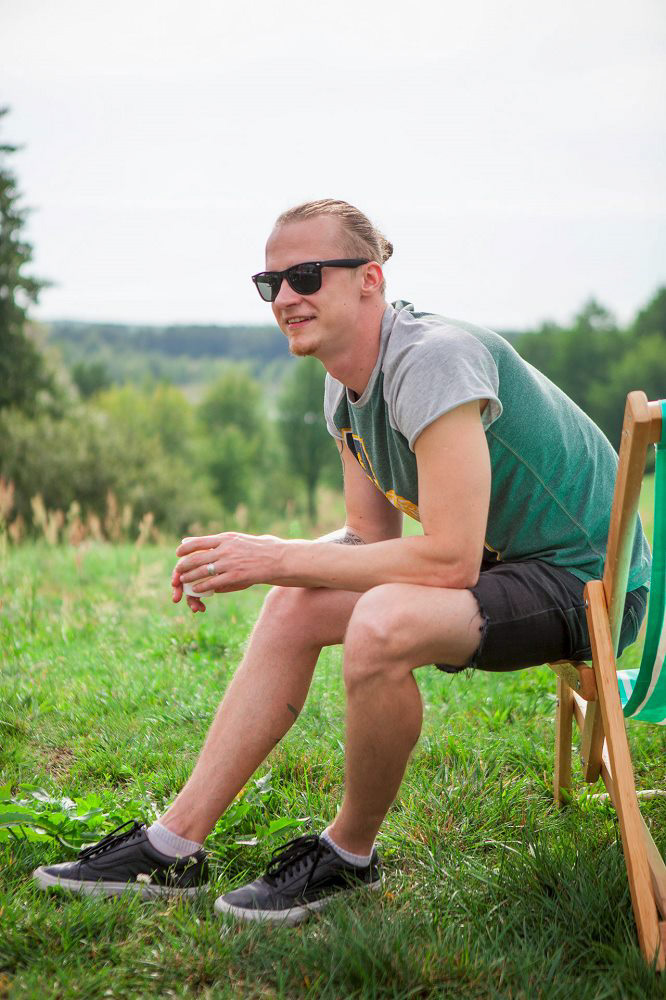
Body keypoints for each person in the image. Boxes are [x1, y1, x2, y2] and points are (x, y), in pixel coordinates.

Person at [33, 199, 651, 924]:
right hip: (505, 568)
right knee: (293, 603)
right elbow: (366, 535)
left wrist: (279, 554)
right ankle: (173, 845)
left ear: (370, 280)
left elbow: (449, 561)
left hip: (588, 585)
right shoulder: (344, 380)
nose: (286, 298)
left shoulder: (432, 360)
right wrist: (250, 560)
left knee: (382, 621)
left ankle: (349, 857)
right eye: (271, 283)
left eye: (306, 276)